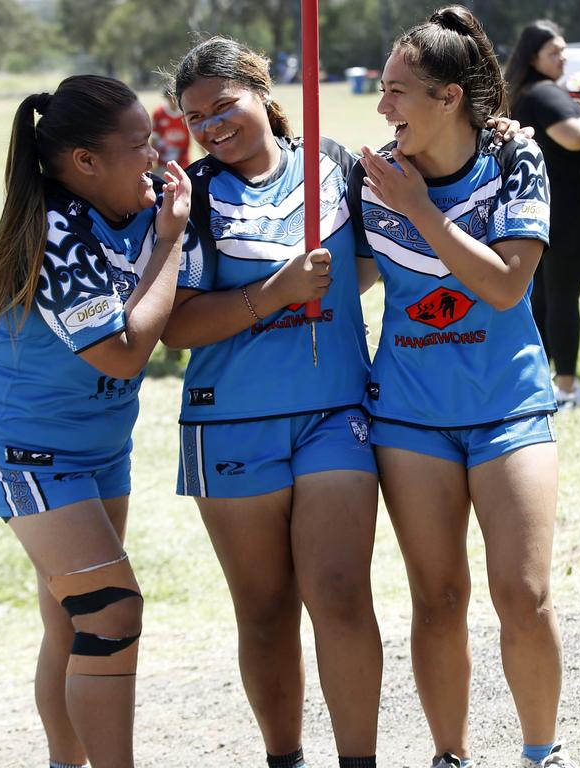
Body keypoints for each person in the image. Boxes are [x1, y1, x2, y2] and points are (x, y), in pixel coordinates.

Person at [349, 5, 576, 768]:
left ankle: (541, 753)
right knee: (438, 600)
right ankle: (451, 755)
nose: (382, 107)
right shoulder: (369, 180)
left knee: (523, 593)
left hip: (508, 406)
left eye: (397, 91)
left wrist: (419, 208)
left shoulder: (516, 160)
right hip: (409, 417)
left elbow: (509, 285)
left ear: (449, 97)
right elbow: (348, 278)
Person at [161, 37, 382, 768]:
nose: (212, 125)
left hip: (335, 411)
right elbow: (176, 326)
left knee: (343, 594)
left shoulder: (334, 165)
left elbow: (372, 261)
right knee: (265, 611)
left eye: (224, 105)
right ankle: (284, 758)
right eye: (196, 117)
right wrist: (274, 295)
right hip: (230, 424)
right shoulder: (191, 196)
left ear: (262, 91)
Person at [0, 75, 190, 768]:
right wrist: (171, 240)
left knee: (72, 620)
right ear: (85, 162)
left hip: (96, 442)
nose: (154, 156)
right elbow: (121, 354)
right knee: (111, 615)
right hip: (24, 447)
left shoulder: (133, 205)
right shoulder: (58, 231)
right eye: (138, 145)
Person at [506, 20, 580, 408]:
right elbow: (573, 136)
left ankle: (540, 381)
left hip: (550, 214)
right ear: (533, 57)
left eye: (564, 48)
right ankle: (567, 388)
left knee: (545, 298)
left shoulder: (527, 93)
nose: (563, 56)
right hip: (571, 215)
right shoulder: (542, 94)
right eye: (553, 51)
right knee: (561, 299)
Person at [151, 87, 191, 172]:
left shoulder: (186, 112)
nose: (173, 100)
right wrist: (151, 159)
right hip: (163, 162)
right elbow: (154, 138)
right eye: (169, 98)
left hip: (183, 161)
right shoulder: (159, 113)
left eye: (175, 97)